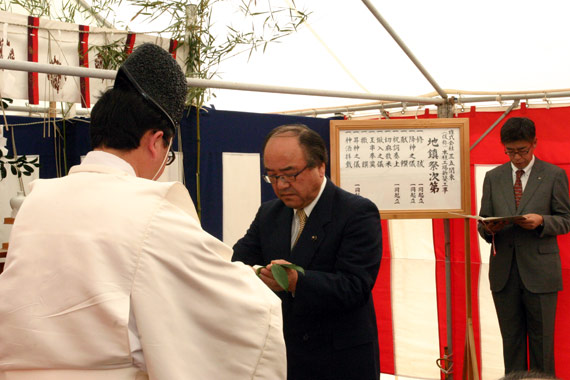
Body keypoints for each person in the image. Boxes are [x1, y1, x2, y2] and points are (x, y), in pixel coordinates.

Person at [0, 43, 286, 380]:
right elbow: (240, 310)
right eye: (168, 155)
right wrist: (252, 280)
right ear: (155, 141)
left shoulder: (38, 199)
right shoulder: (151, 210)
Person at [232, 124, 382, 380]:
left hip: (338, 360)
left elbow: (355, 285)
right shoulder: (270, 213)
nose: (281, 185)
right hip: (285, 356)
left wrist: (296, 283)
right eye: (272, 176)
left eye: (290, 174)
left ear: (320, 166)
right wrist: (256, 273)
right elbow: (239, 261)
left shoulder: (356, 212)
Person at [478, 117, 570, 376]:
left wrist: (542, 221)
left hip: (541, 272)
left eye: (522, 150)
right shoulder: (493, 177)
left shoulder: (553, 175)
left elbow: (566, 219)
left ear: (534, 143)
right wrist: (488, 228)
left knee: (542, 344)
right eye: (510, 151)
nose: (516, 157)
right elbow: (483, 218)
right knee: (512, 342)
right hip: (504, 273)